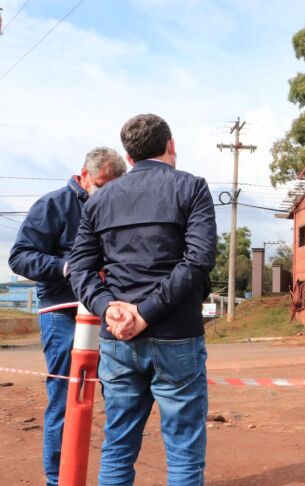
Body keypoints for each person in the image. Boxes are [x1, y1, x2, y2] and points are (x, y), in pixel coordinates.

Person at [68, 113, 217, 485]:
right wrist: (147, 313)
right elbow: (198, 260)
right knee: (183, 451)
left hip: (117, 340)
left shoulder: (99, 201)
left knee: (117, 446)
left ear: (129, 157)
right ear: (171, 145)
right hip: (177, 337)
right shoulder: (192, 188)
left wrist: (109, 308)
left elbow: (80, 268)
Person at [8, 147, 127, 486]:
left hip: (106, 310)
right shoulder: (54, 205)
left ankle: (112, 477)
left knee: (119, 393)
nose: (107, 192)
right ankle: (57, 479)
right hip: (63, 312)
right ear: (84, 175)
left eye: (114, 186)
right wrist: (64, 267)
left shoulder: (118, 207)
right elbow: (19, 258)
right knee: (65, 396)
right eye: (102, 184)